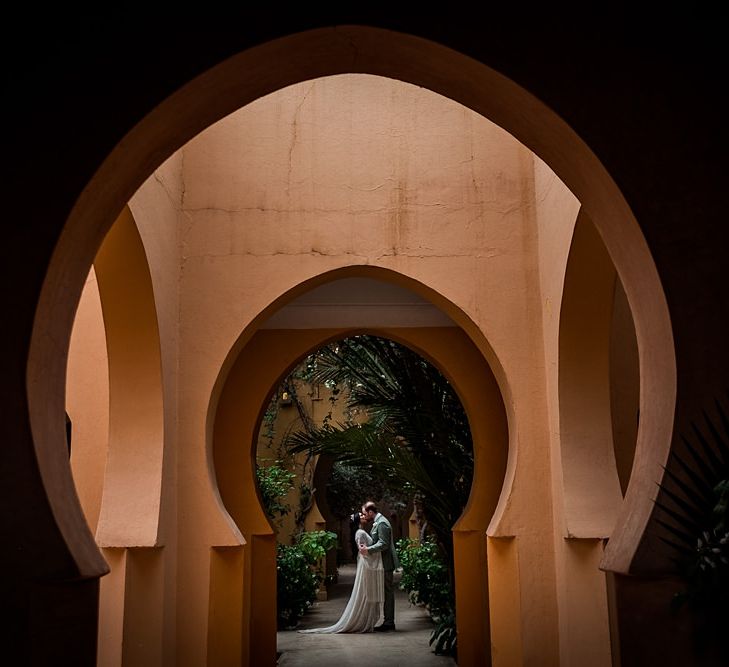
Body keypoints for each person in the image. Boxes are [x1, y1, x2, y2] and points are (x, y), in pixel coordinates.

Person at [298, 511, 384, 633]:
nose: (364, 516)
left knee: (366, 592)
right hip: (366, 566)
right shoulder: (359, 533)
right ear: (357, 521)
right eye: (361, 516)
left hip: (367, 565)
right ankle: (361, 620)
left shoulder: (362, 531)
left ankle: (366, 619)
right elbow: (363, 551)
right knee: (364, 591)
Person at [359, 501, 400, 631]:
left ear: (371, 512)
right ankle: (388, 621)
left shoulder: (382, 523)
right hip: (382, 563)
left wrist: (368, 550)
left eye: (365, 513)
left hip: (386, 563)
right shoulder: (378, 522)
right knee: (386, 592)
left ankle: (389, 623)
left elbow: (384, 544)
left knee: (388, 593)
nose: (364, 516)